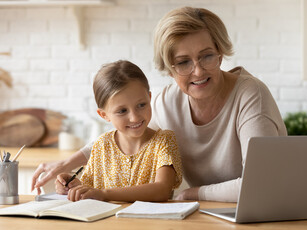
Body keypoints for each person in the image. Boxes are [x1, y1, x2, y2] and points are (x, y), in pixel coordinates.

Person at [32, 6, 287, 202]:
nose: (198, 71)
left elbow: (260, 184)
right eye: (183, 62)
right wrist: (66, 165)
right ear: (169, 68)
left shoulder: (251, 96)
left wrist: (193, 193)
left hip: (264, 214)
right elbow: (120, 134)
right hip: (212, 216)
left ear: (220, 53)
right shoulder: (168, 101)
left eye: (207, 56)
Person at [55, 60, 182, 202]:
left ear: (150, 98)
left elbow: (162, 190)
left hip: (151, 224)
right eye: (122, 111)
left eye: (141, 105)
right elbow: (91, 190)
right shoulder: (101, 146)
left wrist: (105, 194)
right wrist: (73, 186)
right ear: (104, 115)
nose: (134, 117)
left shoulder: (164, 140)